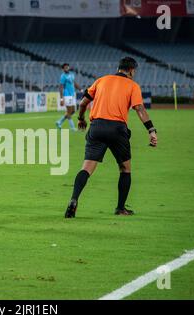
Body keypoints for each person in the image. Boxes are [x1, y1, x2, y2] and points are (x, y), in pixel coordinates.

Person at [64, 57, 158, 218]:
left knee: (86, 168)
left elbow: (82, 103)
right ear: (131, 70)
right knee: (125, 169)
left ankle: (74, 199)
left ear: (118, 68)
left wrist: (81, 119)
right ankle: (120, 208)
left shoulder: (101, 80)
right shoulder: (133, 85)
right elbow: (140, 109)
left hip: (97, 127)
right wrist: (151, 130)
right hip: (117, 129)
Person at [56, 63, 83, 131]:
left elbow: (74, 83)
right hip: (67, 95)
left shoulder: (71, 74)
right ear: (63, 69)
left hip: (72, 95)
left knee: (73, 111)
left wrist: (80, 89)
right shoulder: (63, 76)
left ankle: (59, 122)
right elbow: (61, 87)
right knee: (69, 111)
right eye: (65, 67)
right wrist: (61, 98)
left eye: (67, 67)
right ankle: (72, 127)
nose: (67, 68)